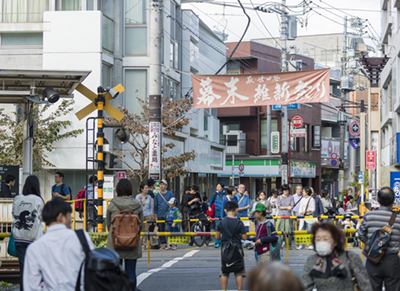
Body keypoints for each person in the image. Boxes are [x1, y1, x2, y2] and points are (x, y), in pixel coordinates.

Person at [23, 198, 94, 291]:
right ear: (61, 217)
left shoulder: (34, 247)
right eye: (69, 216)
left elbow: (31, 287)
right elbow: (93, 269)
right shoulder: (82, 238)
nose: (71, 220)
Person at [302, 223, 372, 291]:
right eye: (318, 239)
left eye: (325, 239)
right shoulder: (312, 260)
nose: (321, 242)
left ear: (335, 241)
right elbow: (305, 286)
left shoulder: (351, 257)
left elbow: (365, 285)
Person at [358, 187, 400, 291]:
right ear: (394, 200)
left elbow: (360, 234)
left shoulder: (368, 216)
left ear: (377, 199)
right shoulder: (398, 219)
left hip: (373, 259)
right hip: (392, 261)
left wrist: (372, 244)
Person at [106, 179, 143, 290]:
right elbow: (140, 225)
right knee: (131, 271)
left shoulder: (113, 204)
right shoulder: (137, 205)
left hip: (115, 242)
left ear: (117, 190)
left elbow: (108, 224)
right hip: (132, 242)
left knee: (116, 272)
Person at [12, 175, 44, 290]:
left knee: (23, 268)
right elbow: (42, 217)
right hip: (34, 239)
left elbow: (13, 214)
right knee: (36, 268)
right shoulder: (38, 199)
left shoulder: (17, 198)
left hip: (19, 238)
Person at [215, 201, 247, 291]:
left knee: (225, 272)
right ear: (236, 210)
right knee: (239, 272)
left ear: (226, 210)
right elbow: (244, 237)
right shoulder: (239, 223)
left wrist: (224, 237)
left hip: (225, 248)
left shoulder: (221, 222)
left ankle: (224, 290)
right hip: (237, 248)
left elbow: (217, 237)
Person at [154, 179, 174, 249]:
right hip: (160, 214)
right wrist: (155, 216)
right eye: (160, 184)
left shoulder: (170, 194)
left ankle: (170, 243)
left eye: (163, 184)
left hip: (168, 214)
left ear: (166, 186)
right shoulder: (157, 195)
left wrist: (170, 213)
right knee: (161, 230)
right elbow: (155, 206)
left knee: (168, 229)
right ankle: (163, 243)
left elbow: (173, 204)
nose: (161, 186)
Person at [136, 183, 155, 251]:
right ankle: (139, 244)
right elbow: (137, 206)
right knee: (140, 230)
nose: (147, 189)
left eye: (147, 188)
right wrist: (140, 200)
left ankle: (144, 245)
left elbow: (150, 206)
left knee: (146, 230)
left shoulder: (149, 197)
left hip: (147, 215)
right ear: (142, 189)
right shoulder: (138, 196)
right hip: (140, 215)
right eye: (145, 188)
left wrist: (151, 215)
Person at [276, 184, 294, 249]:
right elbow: (279, 206)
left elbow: (292, 205)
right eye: (285, 190)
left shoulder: (291, 197)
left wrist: (291, 207)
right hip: (280, 216)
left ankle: (288, 245)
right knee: (280, 230)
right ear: (283, 191)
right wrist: (287, 207)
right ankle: (279, 244)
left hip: (288, 216)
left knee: (288, 230)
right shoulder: (279, 197)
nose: (286, 192)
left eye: (287, 190)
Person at [209, 183, 226, 248]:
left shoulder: (225, 194)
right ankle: (217, 242)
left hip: (224, 213)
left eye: (219, 187)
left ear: (222, 188)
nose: (218, 188)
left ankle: (224, 242)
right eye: (217, 187)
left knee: (224, 228)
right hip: (217, 213)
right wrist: (209, 207)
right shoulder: (215, 194)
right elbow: (210, 201)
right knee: (217, 228)